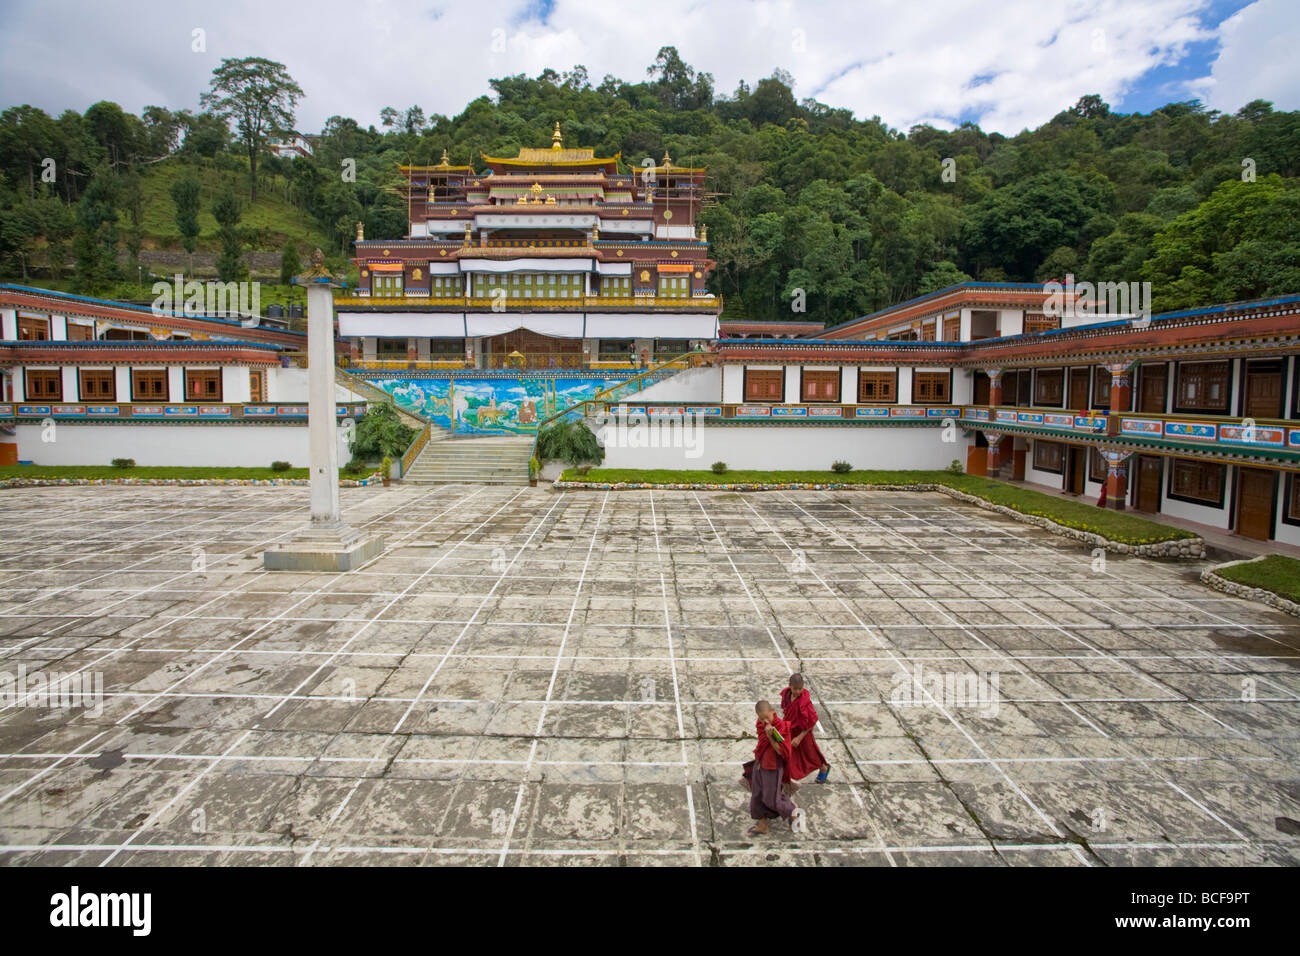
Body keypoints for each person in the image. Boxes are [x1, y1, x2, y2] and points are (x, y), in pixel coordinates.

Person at [747, 700, 802, 836]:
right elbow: (761, 741)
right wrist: (765, 733)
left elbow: (781, 751)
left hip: (773, 767)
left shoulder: (781, 727)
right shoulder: (760, 725)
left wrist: (770, 737)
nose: (765, 721)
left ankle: (792, 810)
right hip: (760, 763)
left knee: (771, 798)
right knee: (757, 795)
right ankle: (762, 825)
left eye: (767, 717)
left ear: (773, 712)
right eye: (761, 718)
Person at [781, 673, 831, 783]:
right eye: (795, 689)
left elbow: (812, 720)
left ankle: (824, 768)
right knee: (788, 753)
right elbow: (786, 711)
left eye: (800, 689)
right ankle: (786, 775)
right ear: (790, 686)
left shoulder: (805, 701)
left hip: (803, 732)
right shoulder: (786, 695)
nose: (798, 691)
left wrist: (799, 737)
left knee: (810, 754)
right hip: (791, 730)